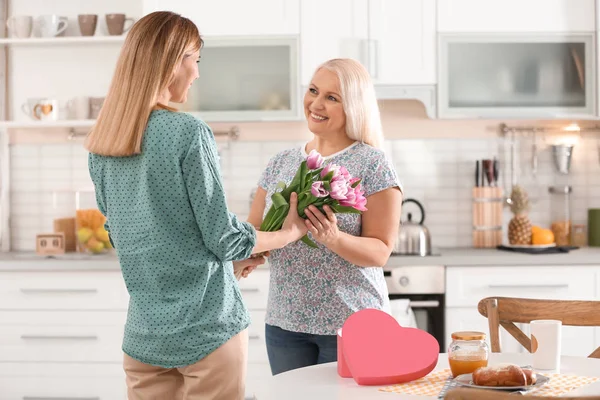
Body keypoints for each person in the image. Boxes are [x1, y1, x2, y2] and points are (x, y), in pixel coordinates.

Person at [84, 11, 306, 400]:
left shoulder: (103, 144)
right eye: (195, 60)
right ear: (171, 62)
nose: (198, 73)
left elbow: (125, 235)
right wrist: (289, 233)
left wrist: (227, 256)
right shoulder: (188, 132)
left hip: (144, 337)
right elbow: (223, 237)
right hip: (208, 329)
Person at [247, 58, 403, 375]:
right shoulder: (282, 162)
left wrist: (333, 239)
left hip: (353, 323)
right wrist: (252, 252)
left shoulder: (372, 164)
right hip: (285, 323)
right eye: (314, 91)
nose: (316, 104)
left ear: (354, 107)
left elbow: (380, 251)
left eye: (332, 97)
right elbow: (255, 231)